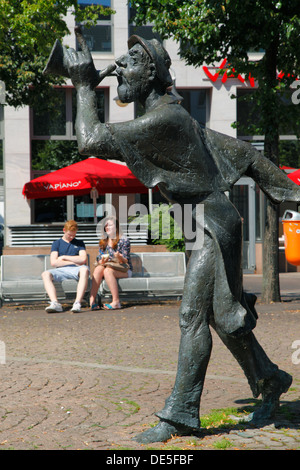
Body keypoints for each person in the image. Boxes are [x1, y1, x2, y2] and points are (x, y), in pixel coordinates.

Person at [60, 28, 300, 442]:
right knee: (223, 317)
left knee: (192, 315)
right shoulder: (177, 117)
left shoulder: (165, 119)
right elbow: (245, 154)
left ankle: (181, 414)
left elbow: (89, 140)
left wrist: (83, 86)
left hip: (213, 225)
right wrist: (289, 189)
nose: (118, 65)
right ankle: (269, 378)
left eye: (130, 61)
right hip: (210, 224)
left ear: (151, 73)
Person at [41, 219, 90, 313]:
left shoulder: (79, 243)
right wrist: (74, 261)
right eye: (69, 234)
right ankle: (55, 303)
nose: (71, 237)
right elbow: (54, 262)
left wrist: (64, 257)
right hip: (61, 271)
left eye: (74, 235)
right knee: (45, 274)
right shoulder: (56, 243)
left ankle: (77, 303)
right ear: (64, 230)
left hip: (76, 269)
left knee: (84, 270)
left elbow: (83, 259)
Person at [89, 216, 132, 310]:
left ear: (116, 227)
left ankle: (116, 302)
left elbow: (126, 261)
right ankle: (92, 300)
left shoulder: (124, 240)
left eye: (110, 225)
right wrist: (101, 261)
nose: (107, 227)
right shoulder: (103, 241)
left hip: (124, 269)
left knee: (107, 271)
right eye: (106, 225)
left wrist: (119, 257)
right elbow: (99, 259)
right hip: (108, 267)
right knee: (98, 269)